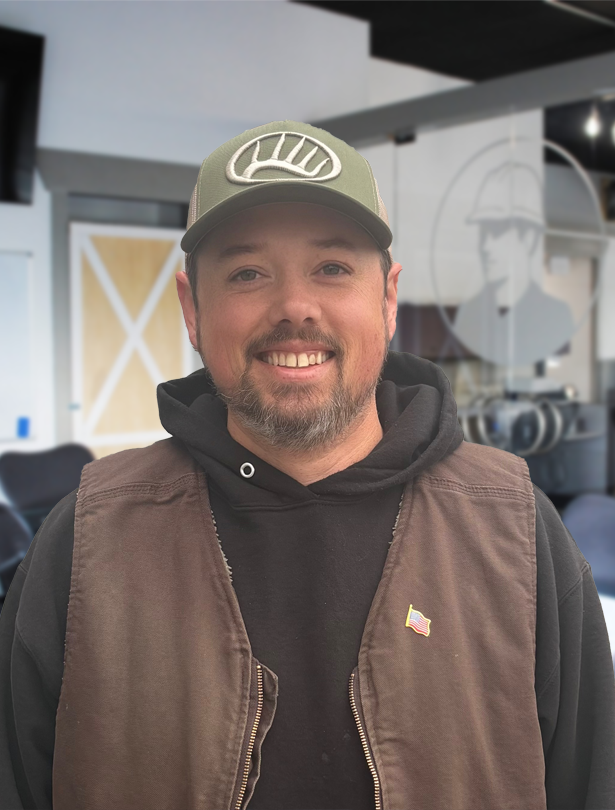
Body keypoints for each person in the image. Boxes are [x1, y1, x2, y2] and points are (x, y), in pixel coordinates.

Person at [0, 121, 613, 810]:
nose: (294, 307)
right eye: (247, 273)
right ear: (192, 309)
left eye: (332, 268)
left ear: (387, 299)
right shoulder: (86, 545)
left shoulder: (515, 534)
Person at [454, 161, 574, 367]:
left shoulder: (556, 315)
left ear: (529, 238)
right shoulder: (468, 315)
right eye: (483, 232)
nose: (486, 246)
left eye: (496, 231)